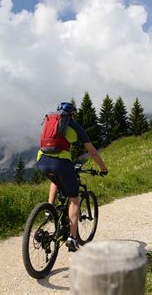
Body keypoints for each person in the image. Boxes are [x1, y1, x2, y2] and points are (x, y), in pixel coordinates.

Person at [36, 102, 108, 252]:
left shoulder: (50, 121)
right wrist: (103, 168)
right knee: (74, 199)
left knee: (55, 179)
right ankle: (72, 238)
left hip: (41, 161)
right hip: (61, 163)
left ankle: (49, 209)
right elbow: (93, 152)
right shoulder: (74, 126)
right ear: (72, 114)